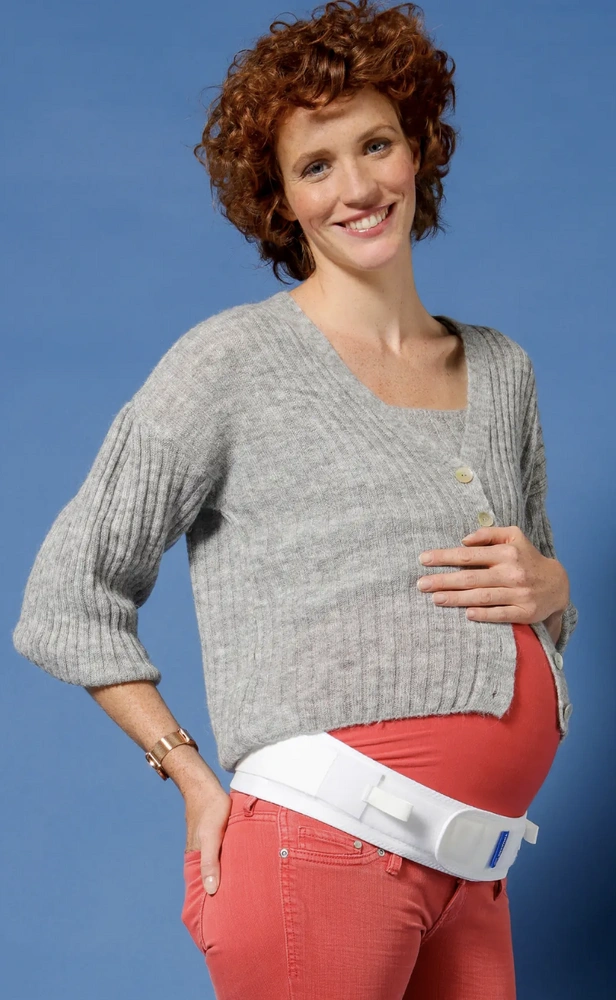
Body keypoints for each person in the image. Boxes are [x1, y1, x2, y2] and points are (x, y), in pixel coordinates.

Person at [12, 1, 578, 997]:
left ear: (418, 151)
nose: (357, 187)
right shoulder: (230, 363)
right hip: (321, 853)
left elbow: (530, 616)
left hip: (476, 875)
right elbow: (66, 597)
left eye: (376, 145)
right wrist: (185, 768)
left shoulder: (502, 370)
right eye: (317, 165)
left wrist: (553, 585)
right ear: (280, 197)